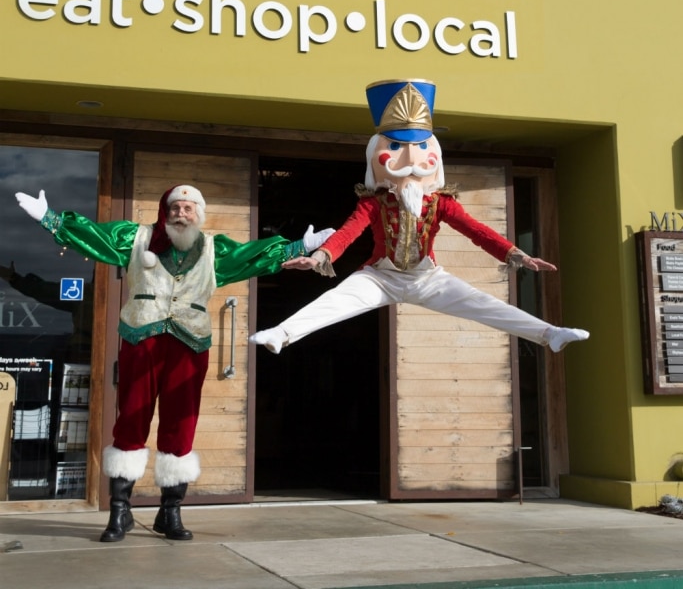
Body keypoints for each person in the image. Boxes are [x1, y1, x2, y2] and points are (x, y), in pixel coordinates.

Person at [15, 183, 332, 542]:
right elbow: (95, 237)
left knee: (181, 424)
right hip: (140, 340)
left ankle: (170, 512)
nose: (182, 213)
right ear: (165, 212)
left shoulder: (215, 249)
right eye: (176, 207)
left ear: (200, 214)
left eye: (189, 208)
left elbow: (252, 255)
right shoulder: (135, 238)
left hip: (190, 344)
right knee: (131, 418)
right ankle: (120, 512)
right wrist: (51, 220)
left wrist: (300, 247)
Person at [251, 78, 590, 356]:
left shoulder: (440, 203)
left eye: (421, 149)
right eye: (396, 148)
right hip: (380, 277)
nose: (411, 160)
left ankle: (550, 333)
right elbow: (347, 233)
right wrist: (321, 257)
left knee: (482, 304)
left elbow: (477, 231)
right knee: (336, 301)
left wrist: (516, 254)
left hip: (427, 278)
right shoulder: (374, 203)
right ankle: (281, 333)